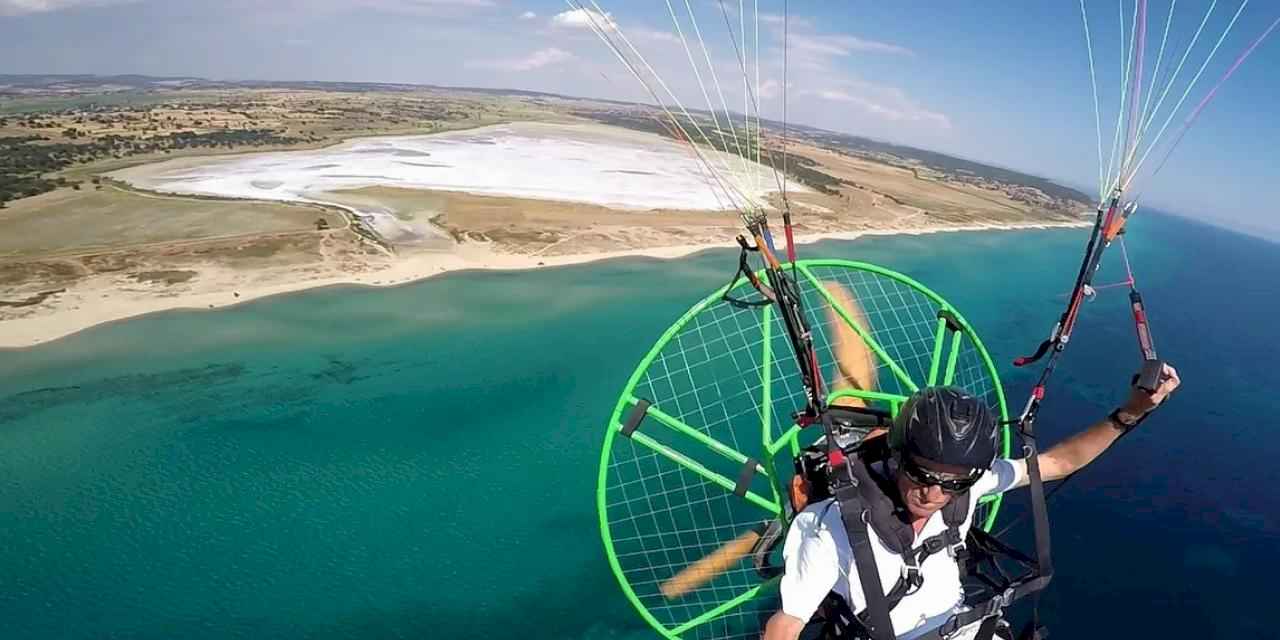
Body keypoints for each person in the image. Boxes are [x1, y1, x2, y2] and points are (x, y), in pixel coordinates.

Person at [762, 287, 1182, 640]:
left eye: (954, 485)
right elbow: (788, 621)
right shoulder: (832, 525)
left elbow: (1057, 462)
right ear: (898, 453)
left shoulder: (972, 484)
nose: (934, 495)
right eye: (922, 475)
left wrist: (1130, 413)